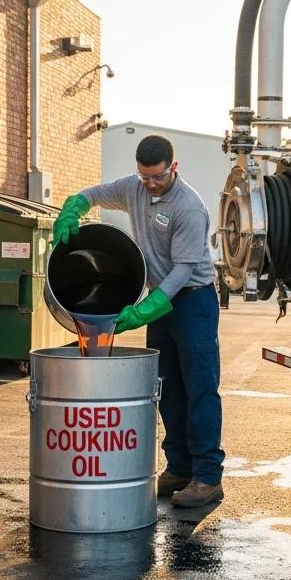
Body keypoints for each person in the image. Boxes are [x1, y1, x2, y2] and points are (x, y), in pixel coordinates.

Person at [52, 134, 225, 507]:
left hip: (192, 303)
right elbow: (93, 194)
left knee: (200, 389)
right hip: (161, 302)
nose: (149, 184)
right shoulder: (133, 188)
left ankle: (208, 478)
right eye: (144, 177)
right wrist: (73, 208)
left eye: (157, 178)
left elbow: (184, 270)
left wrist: (148, 308)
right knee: (167, 390)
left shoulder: (188, 208)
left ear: (173, 168)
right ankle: (178, 468)